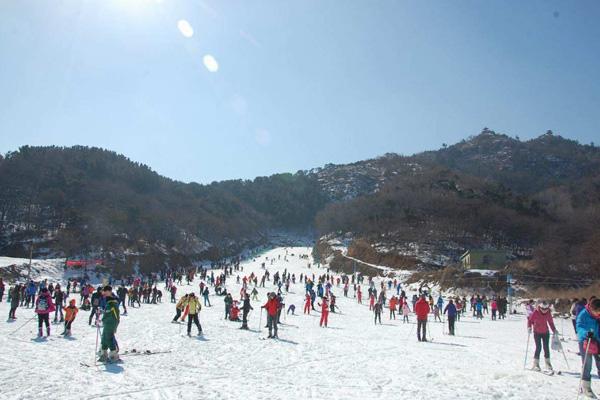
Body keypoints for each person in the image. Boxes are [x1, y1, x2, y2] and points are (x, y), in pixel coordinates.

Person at [576, 297, 600, 398]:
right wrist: (586, 333)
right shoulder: (583, 314)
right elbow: (579, 326)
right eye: (597, 312)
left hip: (597, 340)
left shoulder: (598, 315)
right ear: (591, 308)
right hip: (586, 340)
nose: (598, 314)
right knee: (587, 363)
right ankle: (586, 386)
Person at [527, 301, 557, 372]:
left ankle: (548, 363)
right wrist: (529, 327)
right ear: (540, 307)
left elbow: (550, 322)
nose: (544, 311)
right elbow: (530, 320)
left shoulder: (548, 313)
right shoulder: (536, 312)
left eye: (546, 309)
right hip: (537, 332)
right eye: (542, 309)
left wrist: (554, 330)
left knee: (546, 347)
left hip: (545, 332)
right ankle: (536, 364)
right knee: (538, 347)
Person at [98, 286, 120, 363]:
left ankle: (114, 354)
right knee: (104, 337)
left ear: (109, 291)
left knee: (108, 337)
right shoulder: (108, 301)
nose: (103, 293)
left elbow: (111, 314)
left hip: (111, 322)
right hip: (108, 322)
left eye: (105, 291)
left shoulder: (112, 302)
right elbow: (106, 312)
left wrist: (102, 319)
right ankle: (103, 353)